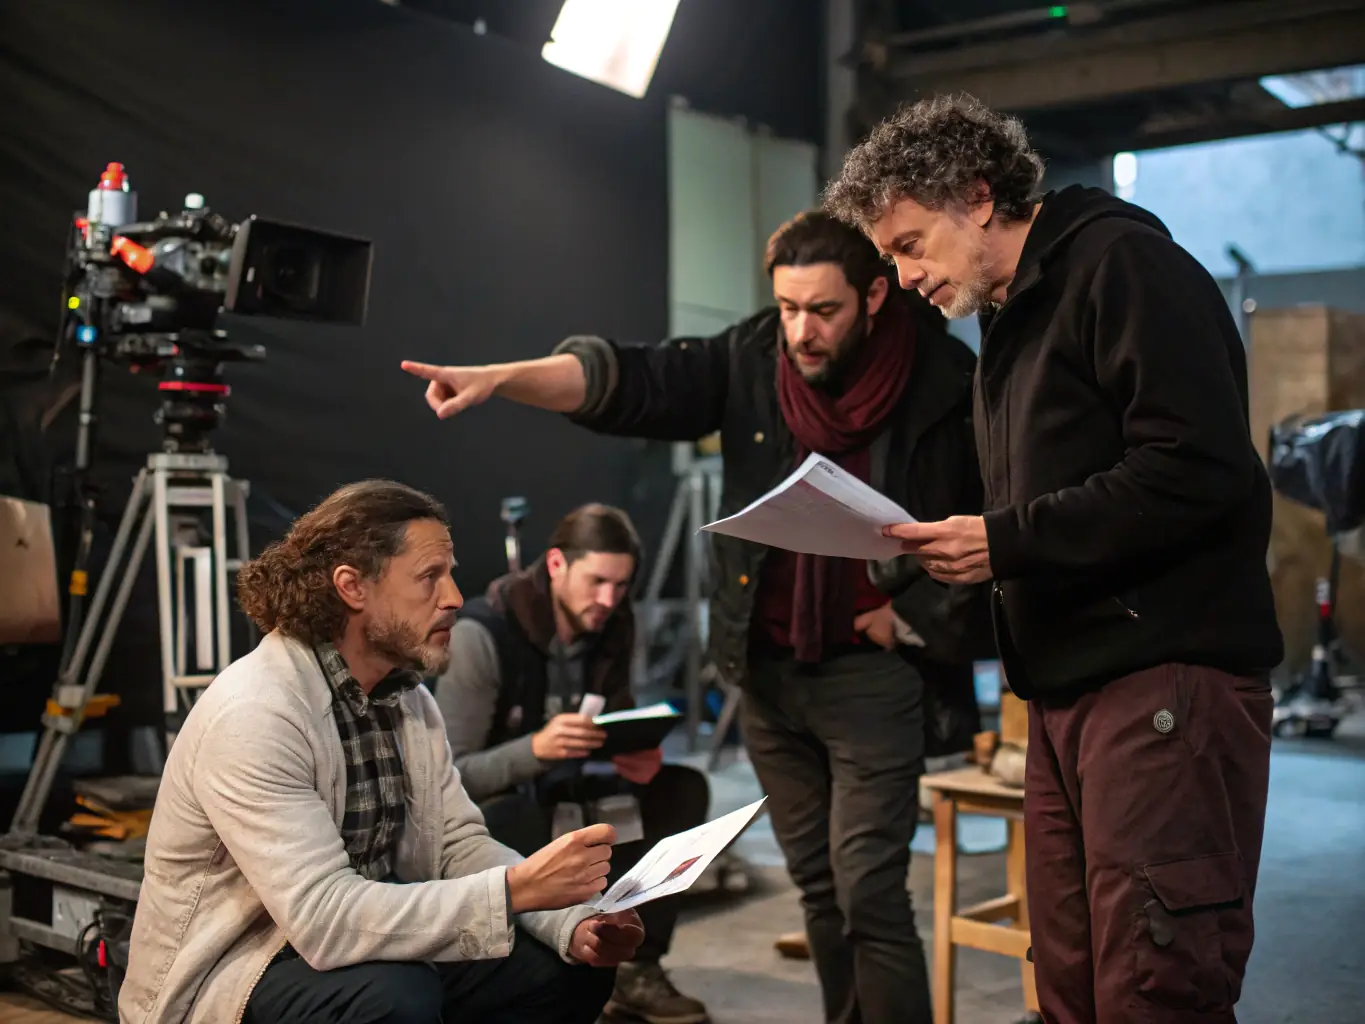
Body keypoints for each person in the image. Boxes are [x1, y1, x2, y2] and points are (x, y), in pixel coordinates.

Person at [402, 210, 993, 1024]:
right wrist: (504, 377)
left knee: (869, 892)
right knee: (819, 890)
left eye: (822, 311)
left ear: (875, 296)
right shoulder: (753, 355)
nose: (800, 331)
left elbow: (989, 518)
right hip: (768, 672)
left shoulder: (941, 381)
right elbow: (631, 382)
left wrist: (916, 616)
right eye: (787, 308)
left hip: (872, 674)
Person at [822, 94, 1283, 1023]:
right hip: (1067, 691)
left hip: (1160, 684)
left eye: (910, 244)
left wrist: (1001, 540)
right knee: (1068, 983)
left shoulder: (1120, 265)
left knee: (1157, 986)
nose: (903, 276)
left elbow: (1198, 468)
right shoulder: (1011, 317)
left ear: (978, 197)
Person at [119, 480, 644, 1024]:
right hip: (240, 966)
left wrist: (570, 922)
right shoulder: (257, 713)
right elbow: (323, 919)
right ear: (353, 587)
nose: (455, 597)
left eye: (451, 572)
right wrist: (516, 889)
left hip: (359, 936)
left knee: (565, 967)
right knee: (395, 995)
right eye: (429, 577)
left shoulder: (407, 699)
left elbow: (457, 845)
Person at [432, 502, 713, 1024]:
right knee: (514, 815)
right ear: (557, 564)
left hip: (582, 783)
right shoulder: (484, 632)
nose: (608, 599)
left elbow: (618, 721)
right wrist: (533, 750)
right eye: (598, 581)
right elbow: (449, 778)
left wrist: (636, 753)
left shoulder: (613, 623)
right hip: (509, 801)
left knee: (681, 788)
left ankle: (637, 966)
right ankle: (546, 966)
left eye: (622, 586)